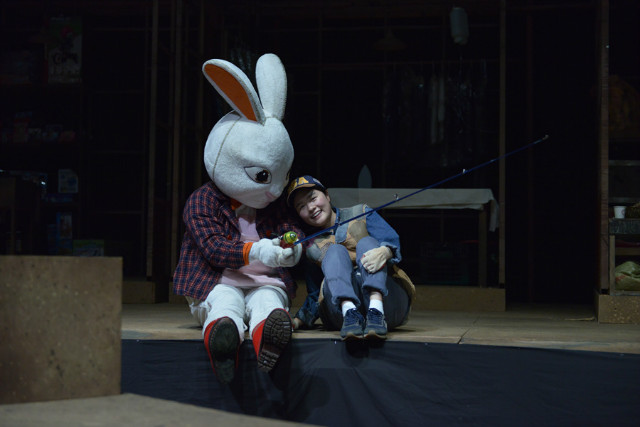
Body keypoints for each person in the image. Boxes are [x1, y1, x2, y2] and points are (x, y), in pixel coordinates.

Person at [173, 53, 305, 384]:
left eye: (282, 177)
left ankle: (268, 336)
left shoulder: (273, 202)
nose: (275, 191)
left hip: (265, 280)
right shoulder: (202, 201)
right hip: (216, 280)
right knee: (225, 303)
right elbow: (214, 248)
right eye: (263, 176)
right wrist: (258, 250)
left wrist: (293, 248)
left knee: (269, 302)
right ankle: (223, 341)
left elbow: (289, 228)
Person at [287, 175, 415, 340]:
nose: (310, 207)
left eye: (313, 198)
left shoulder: (361, 213)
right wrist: (297, 322)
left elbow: (391, 241)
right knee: (334, 251)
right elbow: (315, 294)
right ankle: (350, 312)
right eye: (301, 206)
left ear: (327, 195)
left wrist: (386, 251)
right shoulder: (311, 248)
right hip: (342, 318)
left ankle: (376, 310)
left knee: (366, 242)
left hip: (389, 304)